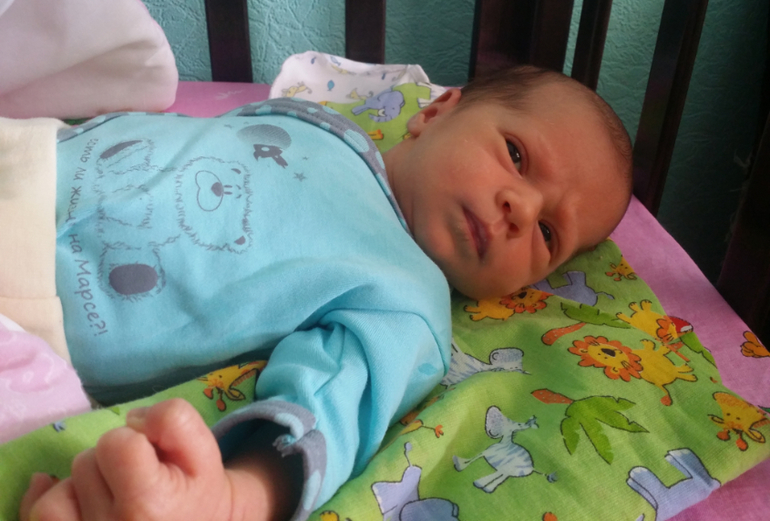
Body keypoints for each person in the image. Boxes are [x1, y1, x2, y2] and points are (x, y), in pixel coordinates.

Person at [14, 65, 632, 521]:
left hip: (34, 308)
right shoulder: (319, 123)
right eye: (516, 155)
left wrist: (234, 499)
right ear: (437, 111)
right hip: (34, 152)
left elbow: (330, 409)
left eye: (548, 234)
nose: (521, 209)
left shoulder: (407, 302)